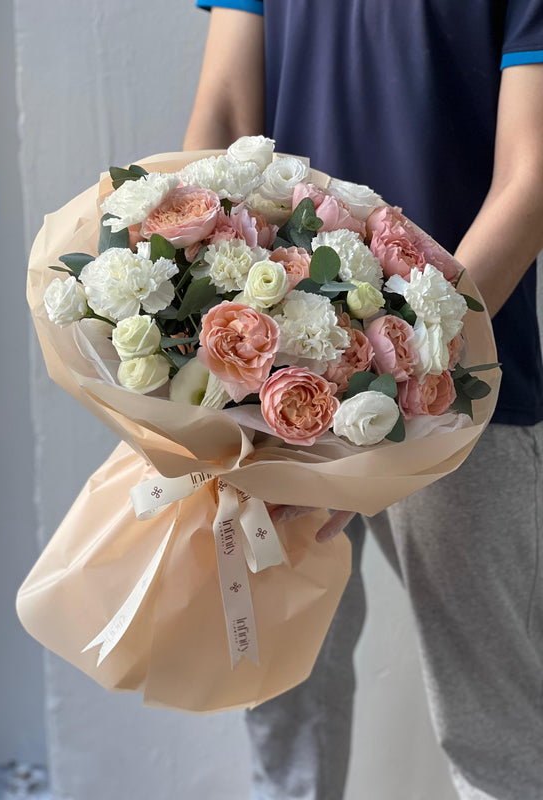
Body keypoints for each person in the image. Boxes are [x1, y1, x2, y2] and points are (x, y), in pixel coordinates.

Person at [183, 3, 543, 798]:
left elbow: (531, 176)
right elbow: (224, 117)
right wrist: (196, 319)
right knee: (284, 706)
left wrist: (410, 360)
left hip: (460, 395)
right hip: (272, 382)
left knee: (500, 734)